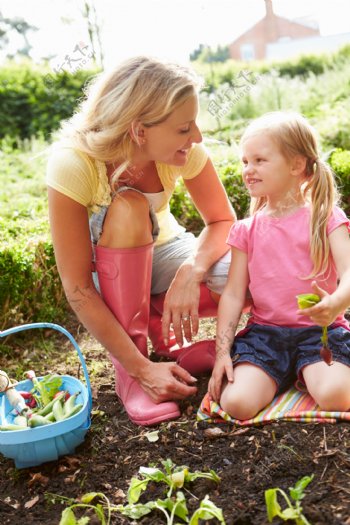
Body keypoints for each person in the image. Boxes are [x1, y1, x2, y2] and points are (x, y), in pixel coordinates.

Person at [46, 56, 236, 426]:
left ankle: (173, 343)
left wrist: (191, 272)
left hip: (168, 254)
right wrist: (140, 370)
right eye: (184, 128)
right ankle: (134, 372)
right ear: (139, 131)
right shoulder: (73, 162)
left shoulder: (185, 152)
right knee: (130, 207)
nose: (196, 137)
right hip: (110, 277)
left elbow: (224, 220)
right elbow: (78, 288)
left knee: (250, 270)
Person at [208, 111, 350, 420]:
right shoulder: (246, 229)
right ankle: (288, 374)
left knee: (335, 396)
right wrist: (222, 353)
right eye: (245, 161)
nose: (248, 170)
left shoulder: (325, 217)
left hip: (320, 333)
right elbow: (233, 294)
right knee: (237, 403)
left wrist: (336, 302)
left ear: (297, 165)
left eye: (259, 160)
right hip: (266, 336)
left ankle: (306, 372)